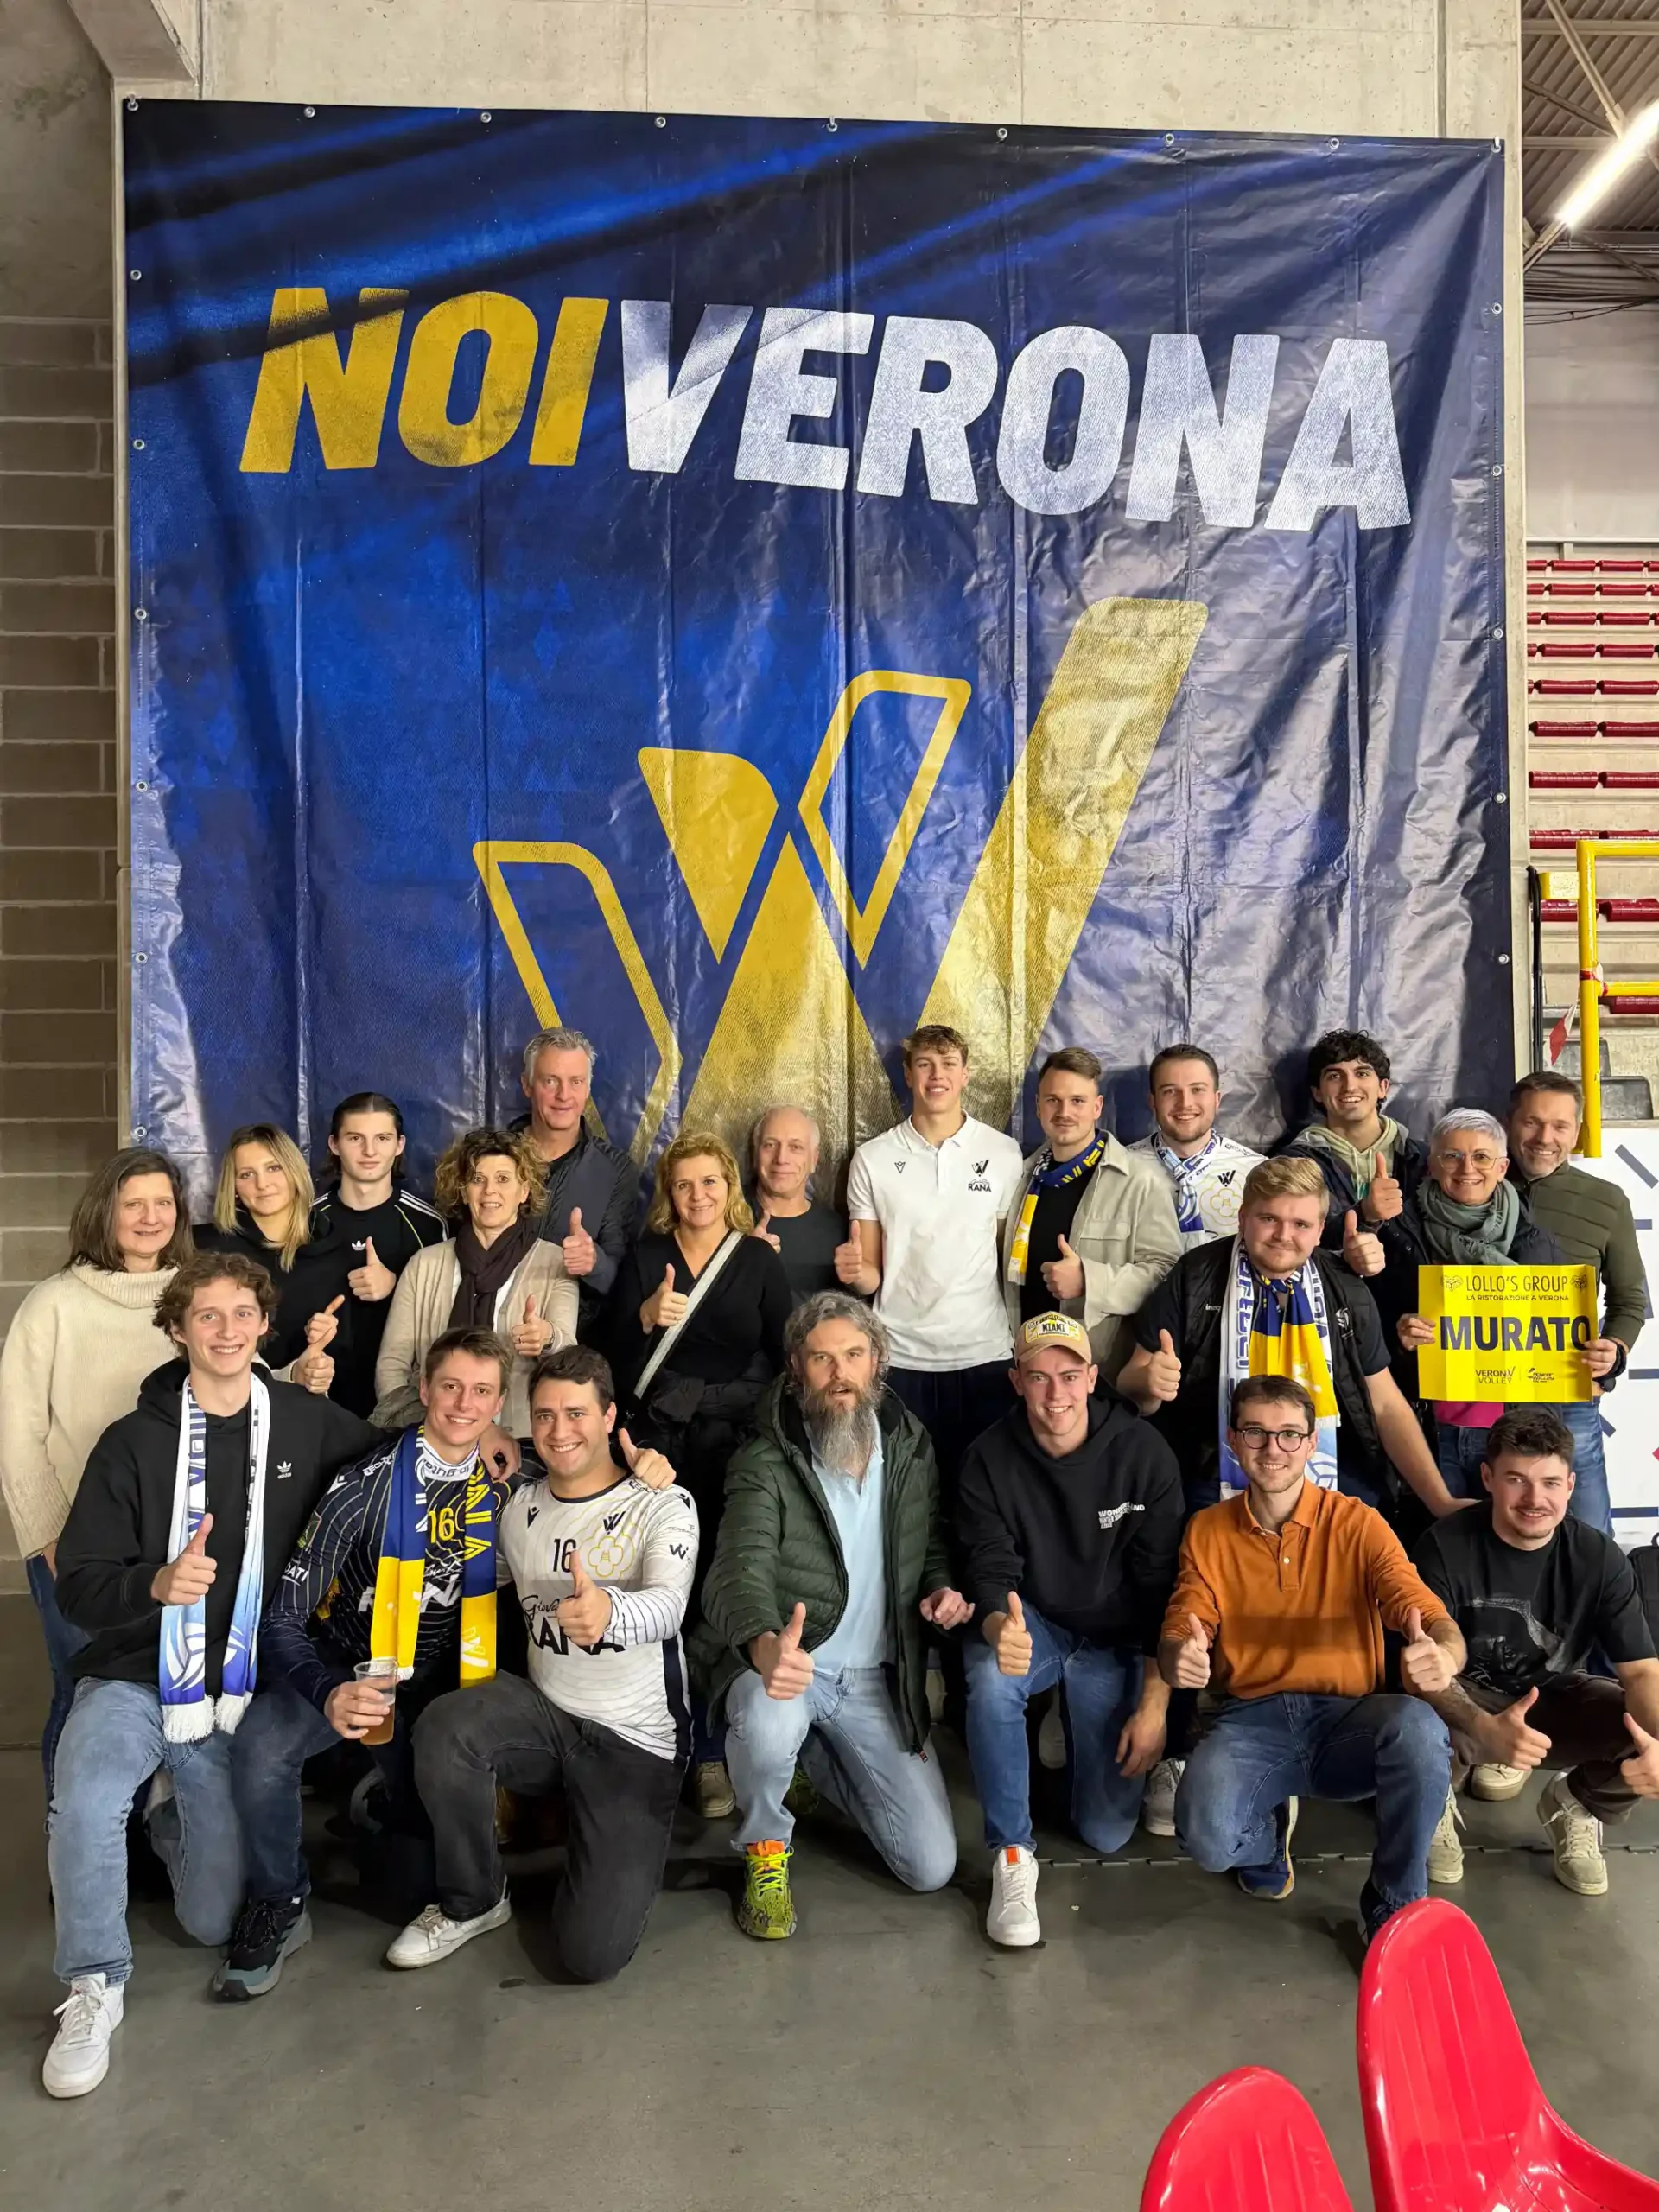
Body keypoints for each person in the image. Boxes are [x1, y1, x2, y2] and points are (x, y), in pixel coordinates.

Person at [41, 1252, 381, 2098]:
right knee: (85, 1793)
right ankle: (92, 1984)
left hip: (233, 1689)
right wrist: (154, 1584)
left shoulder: (304, 1421)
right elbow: (79, 1584)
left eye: (242, 1314)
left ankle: (168, 1814)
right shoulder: (131, 1441)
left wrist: (491, 1444)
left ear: (264, 1326)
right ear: (177, 1330)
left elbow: (398, 1466)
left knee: (209, 1921)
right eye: (207, 1316)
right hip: (133, 1675)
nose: (227, 1331)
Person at [218, 1325, 589, 1999]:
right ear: (423, 1389)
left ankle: (382, 1796)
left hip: (447, 1684)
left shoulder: (520, 1475)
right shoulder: (361, 1488)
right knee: (260, 1748)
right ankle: (279, 1898)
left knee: (409, 1890)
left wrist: (653, 1470)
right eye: (450, 1387)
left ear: (499, 1403)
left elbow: (604, 1484)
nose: (464, 1405)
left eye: (482, 1392)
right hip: (355, 1668)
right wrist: (327, 1691)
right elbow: (281, 1619)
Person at [395, 1346, 693, 1980]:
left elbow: (668, 1607)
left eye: (577, 1413)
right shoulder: (519, 1507)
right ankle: (475, 1899)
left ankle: (610, 1838)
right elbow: (475, 1578)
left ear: (609, 1417)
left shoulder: (662, 1501)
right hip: (547, 1717)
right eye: (545, 1415)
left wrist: (610, 1611)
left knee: (589, 1958)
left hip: (633, 1743)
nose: (560, 1431)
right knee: (447, 1727)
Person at [695, 1291, 969, 1939]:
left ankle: (811, 1762)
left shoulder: (910, 1445)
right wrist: (764, 1645)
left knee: (930, 1866)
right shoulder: (765, 1459)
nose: (839, 1373)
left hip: (875, 1678)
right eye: (822, 1359)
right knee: (767, 1720)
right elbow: (737, 1568)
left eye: (853, 1355)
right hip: (792, 1666)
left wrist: (941, 1588)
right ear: (797, 1368)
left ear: (878, 1360)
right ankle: (766, 1849)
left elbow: (929, 1540)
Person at [1161, 1375, 1464, 1942]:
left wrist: (1444, 1651)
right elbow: (1185, 1618)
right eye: (1256, 1432)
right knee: (1208, 1840)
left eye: (1288, 1435)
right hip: (1251, 1719)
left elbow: (1418, 1604)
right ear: (1233, 1439)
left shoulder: (1358, 1522)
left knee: (1420, 1728)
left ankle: (1394, 1910)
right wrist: (1180, 1653)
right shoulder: (1206, 1529)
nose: (1272, 1448)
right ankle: (1267, 1833)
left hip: (1350, 1717)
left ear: (1310, 1442)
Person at [957, 1313, 1184, 1946]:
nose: (1055, 1392)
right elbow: (989, 1567)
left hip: (1116, 1639)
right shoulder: (988, 1458)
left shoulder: (1143, 1452)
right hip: (1039, 1623)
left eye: (1068, 1375)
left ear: (1092, 1378)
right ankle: (1011, 1854)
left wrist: (1155, 1708)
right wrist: (999, 1627)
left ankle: (1083, 1725)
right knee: (988, 1672)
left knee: (1105, 1834)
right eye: (1038, 1377)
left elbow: (1165, 1591)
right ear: (1016, 1382)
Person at [609, 1128, 791, 1817]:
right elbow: (608, 1361)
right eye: (683, 1184)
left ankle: (710, 1752)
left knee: (720, 1592)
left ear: (729, 1188)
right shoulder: (646, 1257)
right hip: (658, 1446)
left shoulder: (755, 1259)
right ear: (668, 1192)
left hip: (733, 1447)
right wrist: (643, 1317)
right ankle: (653, 1744)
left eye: (710, 1181)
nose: (697, 1195)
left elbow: (788, 1354)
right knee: (658, 1590)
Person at [1119, 1156, 1465, 1520]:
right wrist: (1149, 1383)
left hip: (1329, 1460)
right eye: (1269, 1219)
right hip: (1214, 1464)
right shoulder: (1194, 1276)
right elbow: (1132, 1382)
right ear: (1243, 1219)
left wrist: (1441, 1502)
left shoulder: (1346, 1288)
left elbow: (1386, 1406)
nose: (1283, 1236)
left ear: (1320, 1231)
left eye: (1300, 1224)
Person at [0, 1147, 194, 1791]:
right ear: (103, 1212)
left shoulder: (195, 1297)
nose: (150, 1217)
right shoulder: (53, 1304)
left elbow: (232, 1382)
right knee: (82, 1688)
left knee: (165, 1690)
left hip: (173, 1540)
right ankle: (76, 1837)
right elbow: (18, 1433)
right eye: (133, 1204)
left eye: (162, 1202)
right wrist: (51, 1537)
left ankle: (146, 1832)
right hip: (76, 1542)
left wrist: (297, 1374)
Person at [1410, 1408, 1659, 1897]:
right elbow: (1425, 1669)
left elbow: (1642, 1674)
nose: (1534, 1499)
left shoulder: (1599, 1557)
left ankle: (1578, 1804)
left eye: (1549, 1483)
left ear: (1571, 1485)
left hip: (1550, 1698)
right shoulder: (1442, 1546)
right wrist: (1484, 1728)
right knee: (1412, 1716)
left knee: (1642, 1725)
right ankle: (1433, 1800)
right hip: (1465, 1699)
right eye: (1516, 1480)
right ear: (1488, 1479)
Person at [842, 1024, 1025, 1491]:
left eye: (947, 1064)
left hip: (984, 1355)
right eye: (924, 1064)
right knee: (905, 1497)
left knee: (983, 1496)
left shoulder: (1003, 1153)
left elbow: (1008, 1258)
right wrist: (855, 1272)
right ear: (908, 1075)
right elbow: (871, 1276)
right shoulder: (873, 1158)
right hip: (900, 1359)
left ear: (965, 1074)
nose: (936, 1075)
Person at [1385, 1110, 1586, 1508]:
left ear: (1502, 1167)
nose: (1467, 1169)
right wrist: (1401, 1339)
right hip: (1431, 1432)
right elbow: (1369, 1346)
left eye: (1481, 1157)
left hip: (1518, 1438)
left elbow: (1565, 1342)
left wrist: (1605, 1360)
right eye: (1453, 1156)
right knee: (1441, 1542)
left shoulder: (1539, 1244)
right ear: (1433, 1165)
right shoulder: (1398, 1235)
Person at [1507, 1071, 1647, 1536]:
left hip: (1569, 1399)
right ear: (1510, 1122)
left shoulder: (1606, 1201)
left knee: (1589, 1537)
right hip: (1476, 1399)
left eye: (1560, 1126)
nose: (1544, 1138)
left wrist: (1615, 1350)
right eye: (1532, 1122)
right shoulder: (1466, 1185)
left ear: (1578, 1131)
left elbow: (1629, 1299)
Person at [373, 1126, 576, 1441]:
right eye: (478, 1179)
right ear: (463, 1190)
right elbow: (392, 1364)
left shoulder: (555, 1263)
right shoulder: (424, 1264)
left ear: (524, 1191)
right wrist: (418, 1431)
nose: (489, 1191)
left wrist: (547, 1338)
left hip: (518, 1444)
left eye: (503, 1179)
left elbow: (568, 1354)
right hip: (428, 1438)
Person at [999, 1047, 1182, 1376]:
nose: (1064, 1112)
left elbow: (1167, 1274)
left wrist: (1089, 1280)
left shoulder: (1140, 1182)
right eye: (1053, 1100)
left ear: (1097, 1107)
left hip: (1100, 1373)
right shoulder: (1020, 1177)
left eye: (1077, 1101)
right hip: (1028, 1368)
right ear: (1038, 1106)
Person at [300, 1093, 448, 1416]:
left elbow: (446, 1315)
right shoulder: (303, 1223)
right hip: (320, 1401)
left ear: (399, 1145)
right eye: (355, 1138)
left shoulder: (428, 1224)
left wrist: (398, 1285)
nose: (369, 1151)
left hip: (402, 1403)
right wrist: (307, 1325)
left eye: (382, 1138)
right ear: (334, 1144)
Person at [512, 1026, 635, 1338]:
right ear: (527, 1085)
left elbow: (620, 1283)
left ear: (588, 1089)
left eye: (576, 1081)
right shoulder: (489, 1155)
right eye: (550, 1081)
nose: (563, 1095)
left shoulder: (616, 1170)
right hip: (492, 1334)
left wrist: (593, 1262)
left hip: (571, 1344)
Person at [1278, 1029, 1427, 1248]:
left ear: (1383, 1087)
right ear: (1317, 1093)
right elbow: (1293, 1239)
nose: (1349, 1086)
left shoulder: (1422, 1158)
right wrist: (1365, 1214)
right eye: (1335, 1076)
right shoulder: (1293, 1164)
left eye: (1362, 1073)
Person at [194, 1122, 321, 1366]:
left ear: (295, 1171)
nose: (262, 1184)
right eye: (246, 1174)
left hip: (314, 1389)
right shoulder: (204, 1247)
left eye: (274, 1168)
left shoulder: (334, 1249)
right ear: (233, 1187)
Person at [1131, 1044, 1265, 1249]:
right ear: (1153, 1102)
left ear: (1216, 1099)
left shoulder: (1257, 1172)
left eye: (1197, 1090)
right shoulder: (1120, 1168)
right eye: (1170, 1091)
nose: (1185, 1103)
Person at [747, 1103, 849, 1304]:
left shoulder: (838, 1233)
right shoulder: (724, 1217)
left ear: (814, 1159)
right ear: (755, 1154)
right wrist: (742, 1260)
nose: (781, 1158)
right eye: (770, 1145)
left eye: (795, 1147)